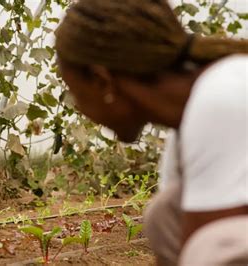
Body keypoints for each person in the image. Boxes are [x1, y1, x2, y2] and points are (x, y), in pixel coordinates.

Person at [54, 0, 247, 265]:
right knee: (165, 214)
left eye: (76, 94)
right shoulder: (185, 128)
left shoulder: (225, 94)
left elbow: (208, 248)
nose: (81, 109)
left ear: (102, 81)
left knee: (213, 244)